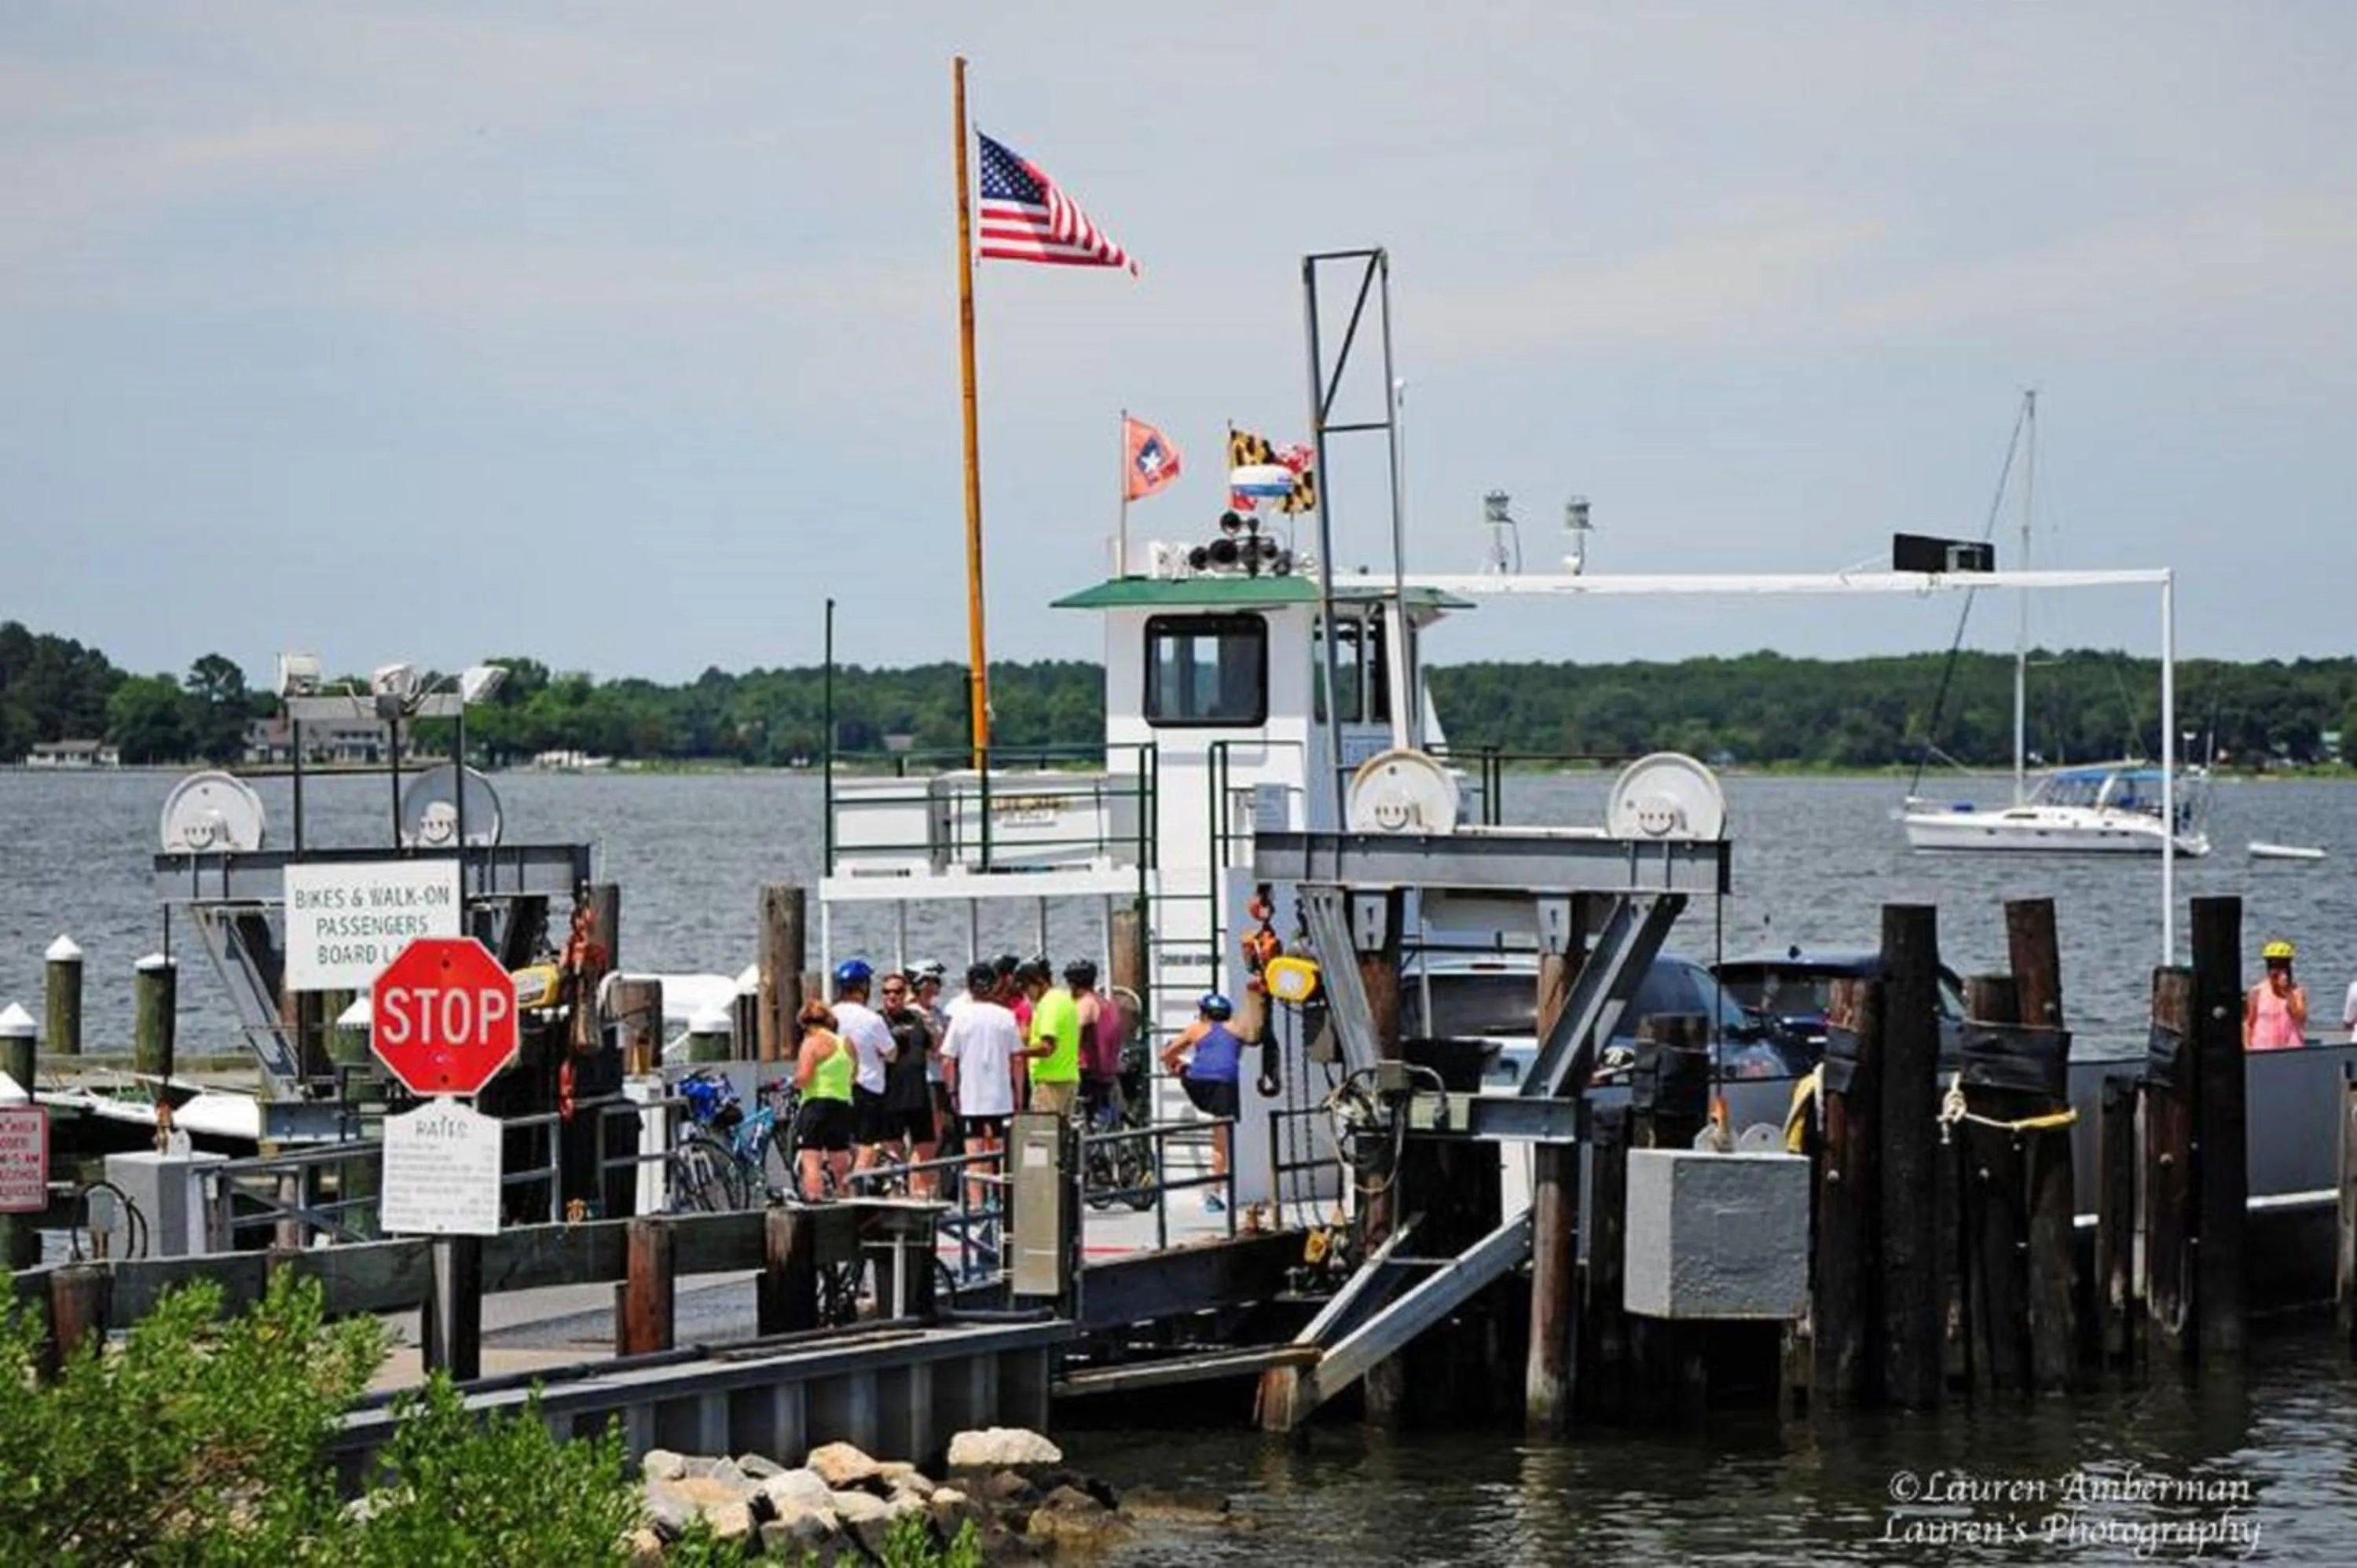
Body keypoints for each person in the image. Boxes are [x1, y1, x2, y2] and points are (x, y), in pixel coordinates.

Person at [940, 961, 1022, 1210]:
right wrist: (1018, 1093)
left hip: (971, 1094)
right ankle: (1004, 1196)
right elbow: (1016, 1058)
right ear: (994, 985)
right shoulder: (1006, 1016)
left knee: (974, 1147)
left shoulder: (961, 1016)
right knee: (1002, 1146)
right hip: (1001, 1095)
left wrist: (952, 1090)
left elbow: (948, 1059)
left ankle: (976, 1201)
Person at [1160, 991, 1243, 1212]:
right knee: (1220, 1143)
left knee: (1178, 1064)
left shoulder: (1197, 1028)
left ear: (1204, 1014)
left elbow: (1167, 1054)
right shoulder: (1236, 1029)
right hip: (1225, 1086)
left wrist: (1173, 1066)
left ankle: (1181, 1073)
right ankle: (1215, 1192)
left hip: (1197, 1083)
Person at [830, 958, 898, 1172]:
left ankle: (841, 1186)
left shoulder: (830, 1015)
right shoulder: (871, 1019)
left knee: (839, 1145)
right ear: (863, 988)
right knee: (867, 1145)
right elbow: (892, 1054)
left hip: (836, 1088)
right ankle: (857, 1183)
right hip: (867, 1087)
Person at [876, 970, 939, 1195]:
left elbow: (936, 1049)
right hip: (891, 1093)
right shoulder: (877, 1021)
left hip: (918, 1092)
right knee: (893, 1147)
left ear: (906, 994)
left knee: (926, 1146)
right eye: (887, 992)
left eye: (897, 992)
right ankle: (895, 1191)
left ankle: (919, 1193)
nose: (892, 996)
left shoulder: (917, 1019)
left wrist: (933, 1024)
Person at [790, 999, 852, 1200]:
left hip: (816, 1103)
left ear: (804, 1024)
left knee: (811, 1158)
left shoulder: (812, 1042)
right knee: (840, 1158)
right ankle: (845, 1197)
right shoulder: (846, 1043)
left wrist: (793, 1082)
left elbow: (805, 1077)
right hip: (842, 1103)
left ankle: (814, 1199)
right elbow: (854, 1073)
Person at [1023, 958, 1083, 1119]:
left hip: (1050, 1084)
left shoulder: (1049, 1004)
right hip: (1068, 1079)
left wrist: (1017, 1052)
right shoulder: (1065, 999)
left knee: (1045, 1139)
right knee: (1062, 1138)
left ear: (1039, 982)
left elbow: (1047, 1047)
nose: (1026, 994)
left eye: (1025, 987)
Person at [1070, 960, 1127, 1128]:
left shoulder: (1085, 1005)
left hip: (1088, 1073)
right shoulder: (1107, 1005)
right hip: (1108, 1073)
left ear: (1073, 984)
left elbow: (1074, 1038)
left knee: (1077, 1122)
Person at [2245, 938, 2308, 1052]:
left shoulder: (2297, 992)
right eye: (2274, 967)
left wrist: (2288, 993)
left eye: (2283, 966)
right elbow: (2249, 1023)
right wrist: (2248, 1046)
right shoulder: (2257, 991)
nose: (2279, 972)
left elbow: (2301, 1020)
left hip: (2290, 1048)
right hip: (2262, 1048)